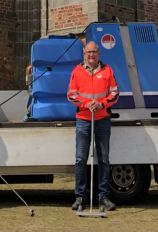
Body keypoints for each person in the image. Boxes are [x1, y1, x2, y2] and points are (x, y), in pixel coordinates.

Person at [67, 40, 119, 213]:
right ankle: (80, 196)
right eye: (88, 52)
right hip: (83, 118)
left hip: (102, 118)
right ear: (84, 54)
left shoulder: (107, 70)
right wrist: (87, 104)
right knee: (80, 159)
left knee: (104, 159)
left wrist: (102, 104)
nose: (91, 55)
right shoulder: (77, 71)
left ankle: (103, 197)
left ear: (99, 54)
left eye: (94, 52)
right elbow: (71, 95)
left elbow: (115, 93)